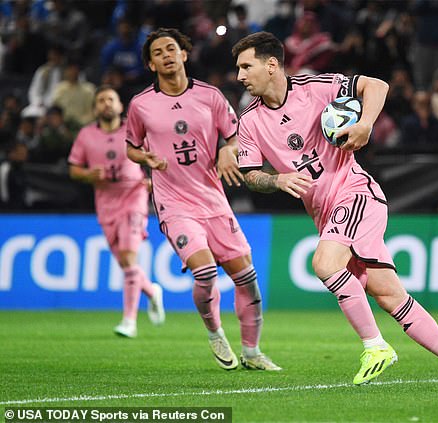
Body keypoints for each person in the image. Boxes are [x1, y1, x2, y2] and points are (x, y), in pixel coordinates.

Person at [232, 31, 438, 390]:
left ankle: (375, 346)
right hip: (325, 212)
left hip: (355, 194)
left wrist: (365, 124)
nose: (240, 75)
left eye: (245, 66)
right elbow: (250, 175)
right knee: (389, 295)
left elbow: (376, 86)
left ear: (272, 65)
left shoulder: (314, 87)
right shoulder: (250, 121)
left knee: (323, 264)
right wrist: (277, 180)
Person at [125, 28, 280, 371]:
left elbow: (237, 135)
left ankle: (252, 352)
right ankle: (214, 333)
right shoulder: (141, 105)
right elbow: (131, 147)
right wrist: (145, 159)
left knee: (247, 280)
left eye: (172, 48)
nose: (166, 55)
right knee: (206, 272)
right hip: (174, 204)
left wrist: (229, 150)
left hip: (213, 201)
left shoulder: (210, 96)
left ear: (184, 54)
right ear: (151, 64)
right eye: (158, 52)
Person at [68, 85, 165, 338]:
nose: (106, 104)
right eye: (101, 100)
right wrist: (88, 174)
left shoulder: (133, 129)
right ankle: (153, 292)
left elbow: (158, 155)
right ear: (95, 108)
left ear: (120, 106)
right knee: (125, 263)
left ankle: (129, 321)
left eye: (111, 99)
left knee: (129, 257)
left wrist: (154, 180)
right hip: (105, 202)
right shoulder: (86, 135)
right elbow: (74, 169)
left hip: (133, 197)